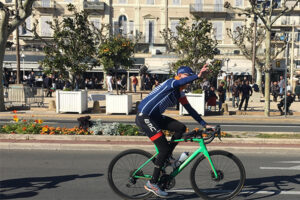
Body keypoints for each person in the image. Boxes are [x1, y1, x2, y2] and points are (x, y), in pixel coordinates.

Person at [136, 65, 214, 197]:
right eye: (187, 77)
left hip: (155, 117)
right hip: (145, 117)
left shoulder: (179, 93)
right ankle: (152, 183)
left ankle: (167, 158)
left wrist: (204, 124)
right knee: (163, 149)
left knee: (181, 128)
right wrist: (198, 76)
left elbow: (190, 110)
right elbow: (180, 82)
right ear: (180, 75)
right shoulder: (171, 83)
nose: (188, 81)